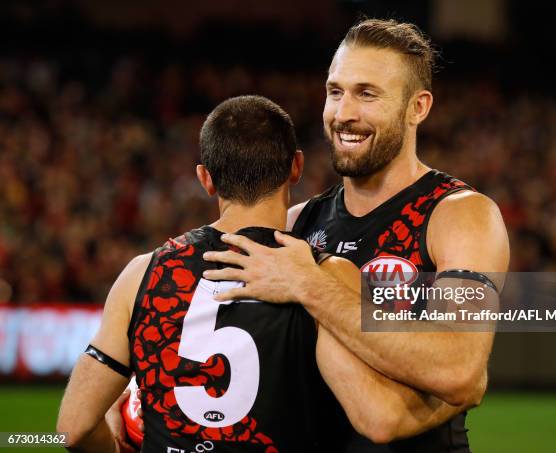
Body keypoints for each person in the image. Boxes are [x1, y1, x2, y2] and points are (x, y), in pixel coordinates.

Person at [57, 95, 476, 453]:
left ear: (205, 178)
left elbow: (70, 429)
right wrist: (457, 393)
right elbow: (380, 419)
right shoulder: (322, 276)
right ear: (295, 168)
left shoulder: (142, 273)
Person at [200, 19, 510, 452]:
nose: (344, 113)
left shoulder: (460, 216)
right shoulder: (296, 223)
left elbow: (460, 369)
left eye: (367, 94)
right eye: (335, 91)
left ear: (417, 108)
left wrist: (310, 285)